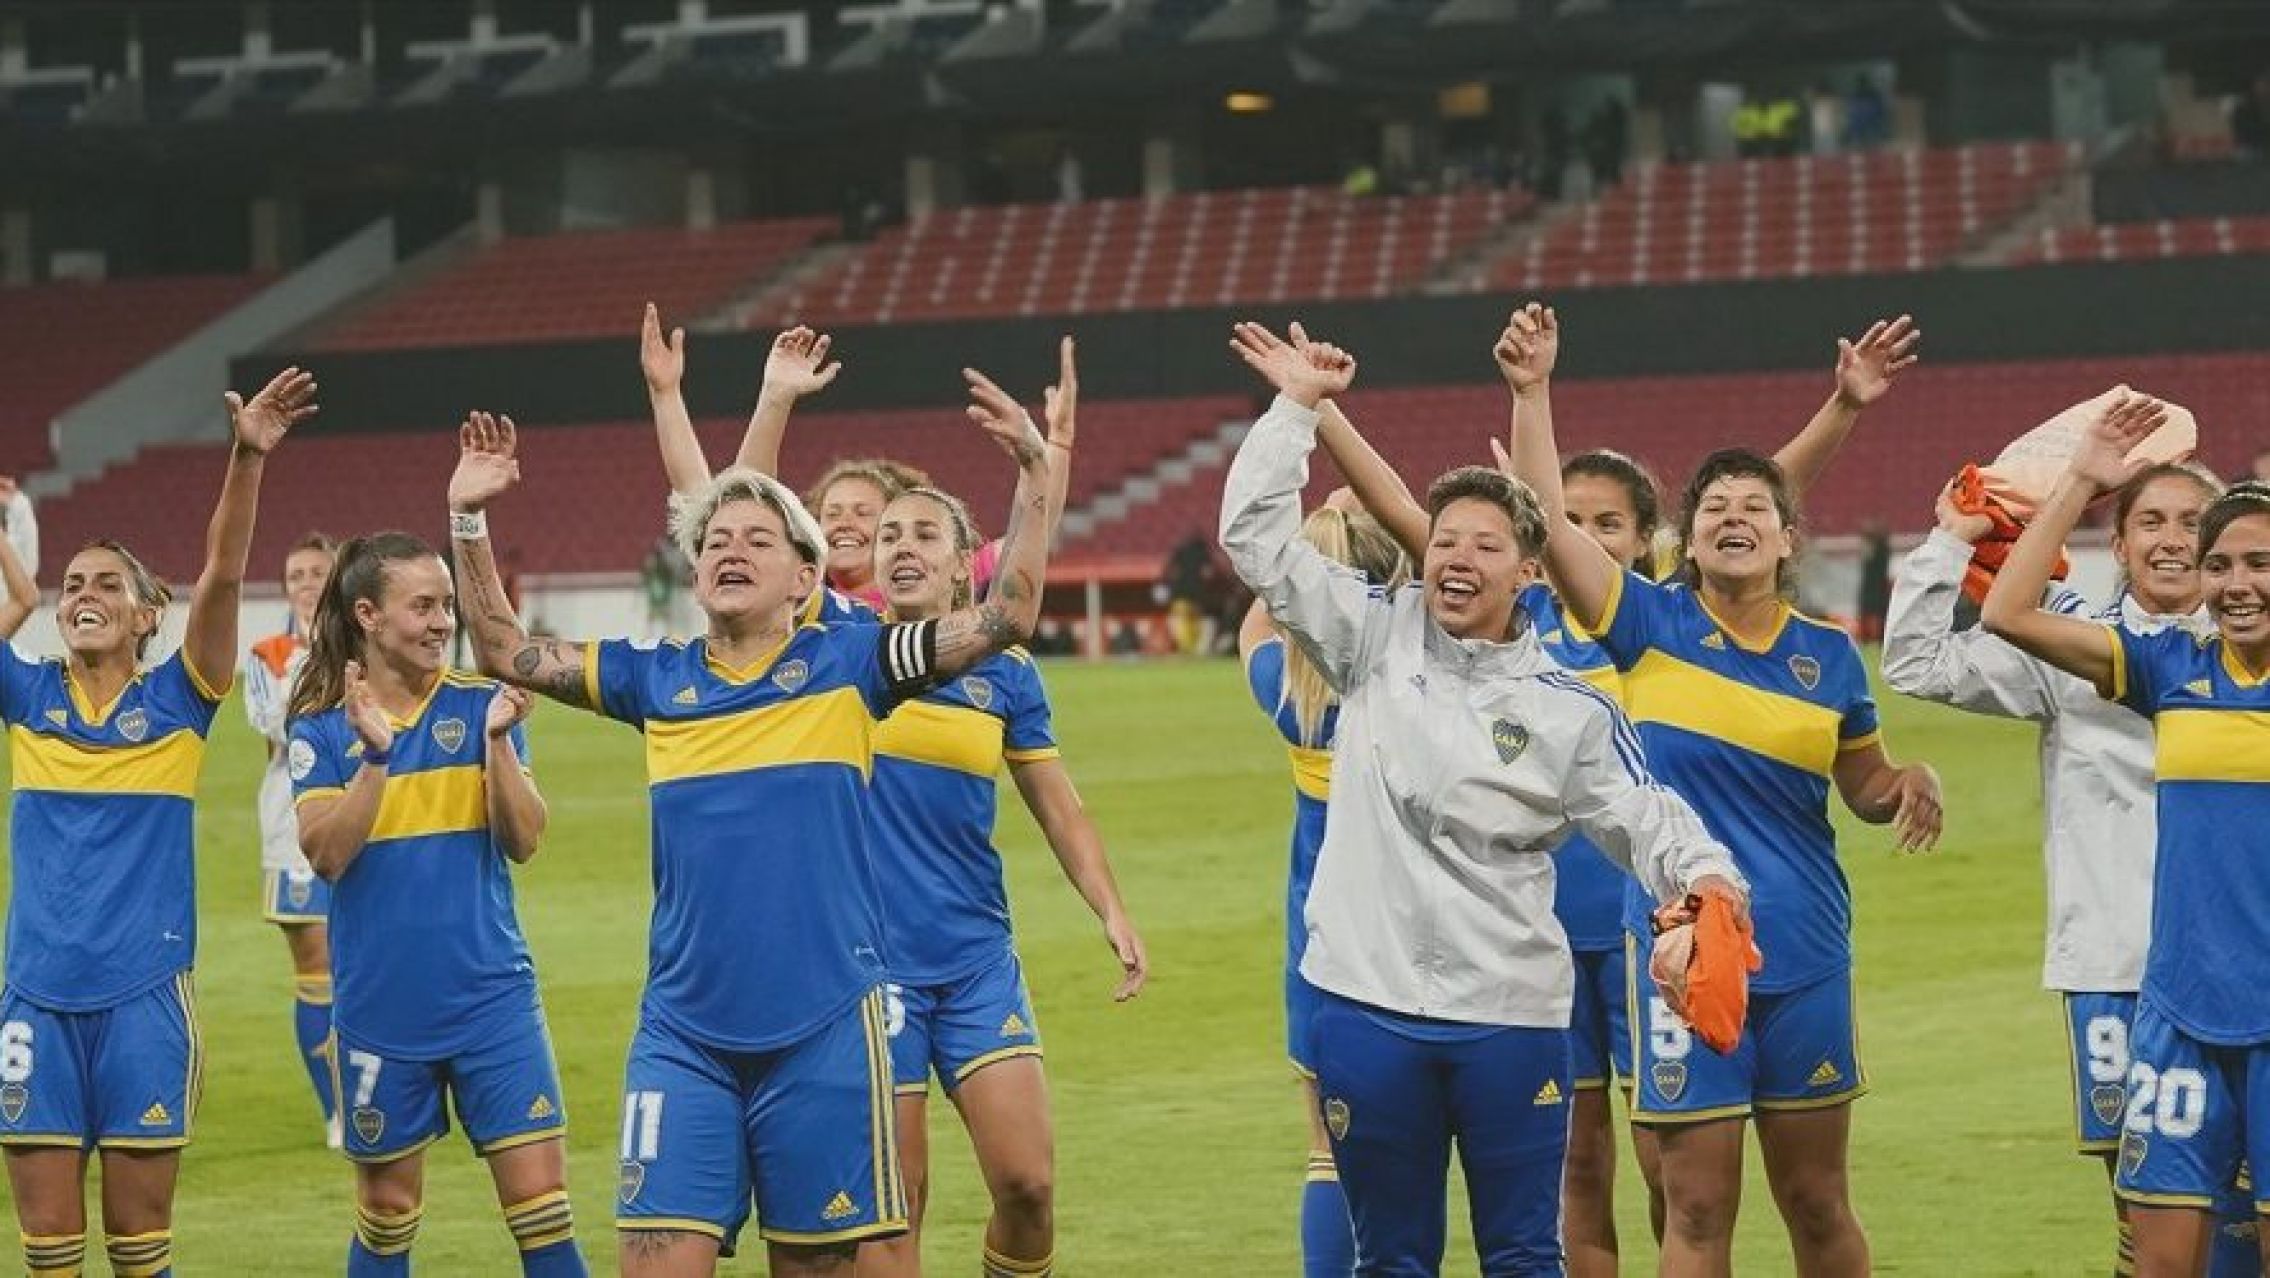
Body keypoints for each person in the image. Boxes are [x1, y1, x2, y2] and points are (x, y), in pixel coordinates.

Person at [1304, 310, 1917, 1278]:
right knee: (1591, 1171)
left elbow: (1755, 508)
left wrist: (1839, 408)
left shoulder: (1683, 620)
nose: (1579, 535)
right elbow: (1431, 520)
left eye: (1605, 524)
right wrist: (1326, 413)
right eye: (1567, 522)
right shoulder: (1544, 605)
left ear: (1644, 539)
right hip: (1562, 925)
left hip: (1673, 919)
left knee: (1694, 1180)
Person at [445, 366, 1059, 1277]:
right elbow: (501, 648)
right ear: (694, 572)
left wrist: (1037, 473)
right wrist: (468, 518)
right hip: (683, 1035)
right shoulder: (653, 678)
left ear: (806, 575)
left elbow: (1006, 615)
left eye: (756, 539)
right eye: (715, 540)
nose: (730, 550)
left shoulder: (858, 661)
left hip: (825, 1034)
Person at [1220, 318, 1750, 1276]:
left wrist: (1710, 877)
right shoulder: (1368, 640)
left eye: (1485, 546)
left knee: (1520, 1255)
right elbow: (1253, 539)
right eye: (1445, 540)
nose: (1458, 559)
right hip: (1363, 1003)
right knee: (1392, 1258)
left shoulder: (1566, 710)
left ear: (1530, 573)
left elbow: (1643, 811)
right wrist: (1296, 408)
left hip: (1508, 1016)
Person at [1498, 302, 1944, 1278]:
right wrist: (1531, 392)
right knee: (1695, 1208)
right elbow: (1541, 511)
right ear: (1684, 544)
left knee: (1818, 1202)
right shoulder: (1641, 619)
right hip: (1680, 953)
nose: (1734, 519)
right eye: (1714, 510)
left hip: (1806, 956)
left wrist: (1902, 784)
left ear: (1788, 539)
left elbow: (1860, 784)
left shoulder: (1827, 657)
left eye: (1755, 510)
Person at [1887, 453, 2265, 1277]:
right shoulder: (2088, 652)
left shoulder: (2236, 648)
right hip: (2118, 967)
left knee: (2244, 1217)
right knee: (2148, 1215)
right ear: (2119, 544)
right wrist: (1953, 542)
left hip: (2244, 970)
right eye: (2150, 523)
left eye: (2192, 526)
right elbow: (1918, 662)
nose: (2172, 541)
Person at [0, 367, 315, 1278]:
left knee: (142, 1255)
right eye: (71, 582)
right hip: (33, 1004)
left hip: (145, 1002)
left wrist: (246, 461)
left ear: (148, 615)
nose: (82, 591)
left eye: (106, 581)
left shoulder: (182, 699)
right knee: (49, 1256)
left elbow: (223, 570)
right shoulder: (26, 695)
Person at [858, 481, 1148, 1278]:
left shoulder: (1007, 673)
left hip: (977, 960)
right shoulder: (840, 651)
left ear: (962, 569)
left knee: (1028, 1186)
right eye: (889, 535)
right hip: (870, 970)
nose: (902, 547)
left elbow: (1058, 807)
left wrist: (1111, 909)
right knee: (896, 1204)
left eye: (924, 533)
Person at [286, 533, 582, 1278]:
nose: (442, 621)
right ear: (369, 616)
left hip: (493, 1001)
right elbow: (326, 854)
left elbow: (525, 840)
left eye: (447, 604)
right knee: (387, 1223)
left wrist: (500, 748)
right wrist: (376, 759)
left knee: (544, 1211)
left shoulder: (484, 704)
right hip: (383, 1011)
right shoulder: (322, 727)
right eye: (422, 605)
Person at [1235, 493, 1409, 1277]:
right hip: (1430, 938)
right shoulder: (1425, 687)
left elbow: (1260, 620)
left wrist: (1302, 548)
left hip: (1324, 948)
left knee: (1330, 1152)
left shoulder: (1286, 691)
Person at [242, 532, 343, 1149]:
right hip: (293, 826)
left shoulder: (368, 644)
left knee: (373, 965)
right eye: (295, 574)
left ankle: (379, 1095)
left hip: (370, 819)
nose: (305, 583)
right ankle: (336, 1111)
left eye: (316, 572)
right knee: (318, 968)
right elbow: (277, 722)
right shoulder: (267, 654)